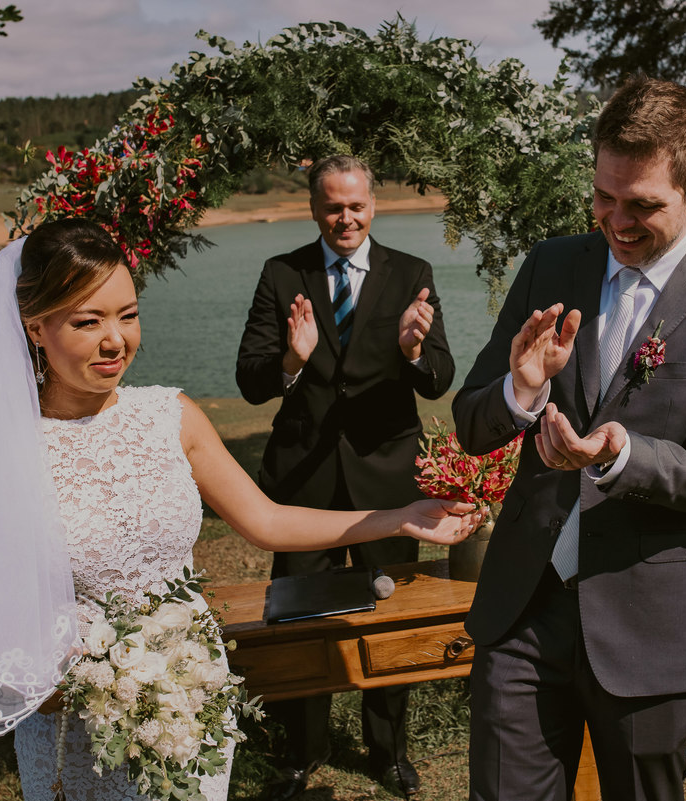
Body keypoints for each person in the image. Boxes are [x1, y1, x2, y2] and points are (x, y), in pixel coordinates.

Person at [0, 218, 481, 801]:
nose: (115, 340)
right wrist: (71, 679)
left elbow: (266, 520)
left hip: (192, 699)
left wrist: (398, 516)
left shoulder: (170, 415)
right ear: (33, 326)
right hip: (75, 720)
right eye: (87, 322)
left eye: (128, 315)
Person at [452, 76, 686, 800]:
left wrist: (620, 454)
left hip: (651, 623)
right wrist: (522, 390)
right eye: (604, 197)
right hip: (525, 608)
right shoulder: (552, 264)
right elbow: (471, 421)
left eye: (643, 205)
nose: (617, 222)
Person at [235, 154, 454, 799]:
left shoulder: (411, 274)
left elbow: (440, 377)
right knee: (297, 621)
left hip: (388, 481)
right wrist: (291, 359)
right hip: (304, 484)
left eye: (356, 205)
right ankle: (300, 752)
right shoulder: (282, 275)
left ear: (373, 206)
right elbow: (250, 381)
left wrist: (414, 350)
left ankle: (388, 753)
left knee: (388, 613)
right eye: (333, 206)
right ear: (314, 208)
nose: (345, 217)